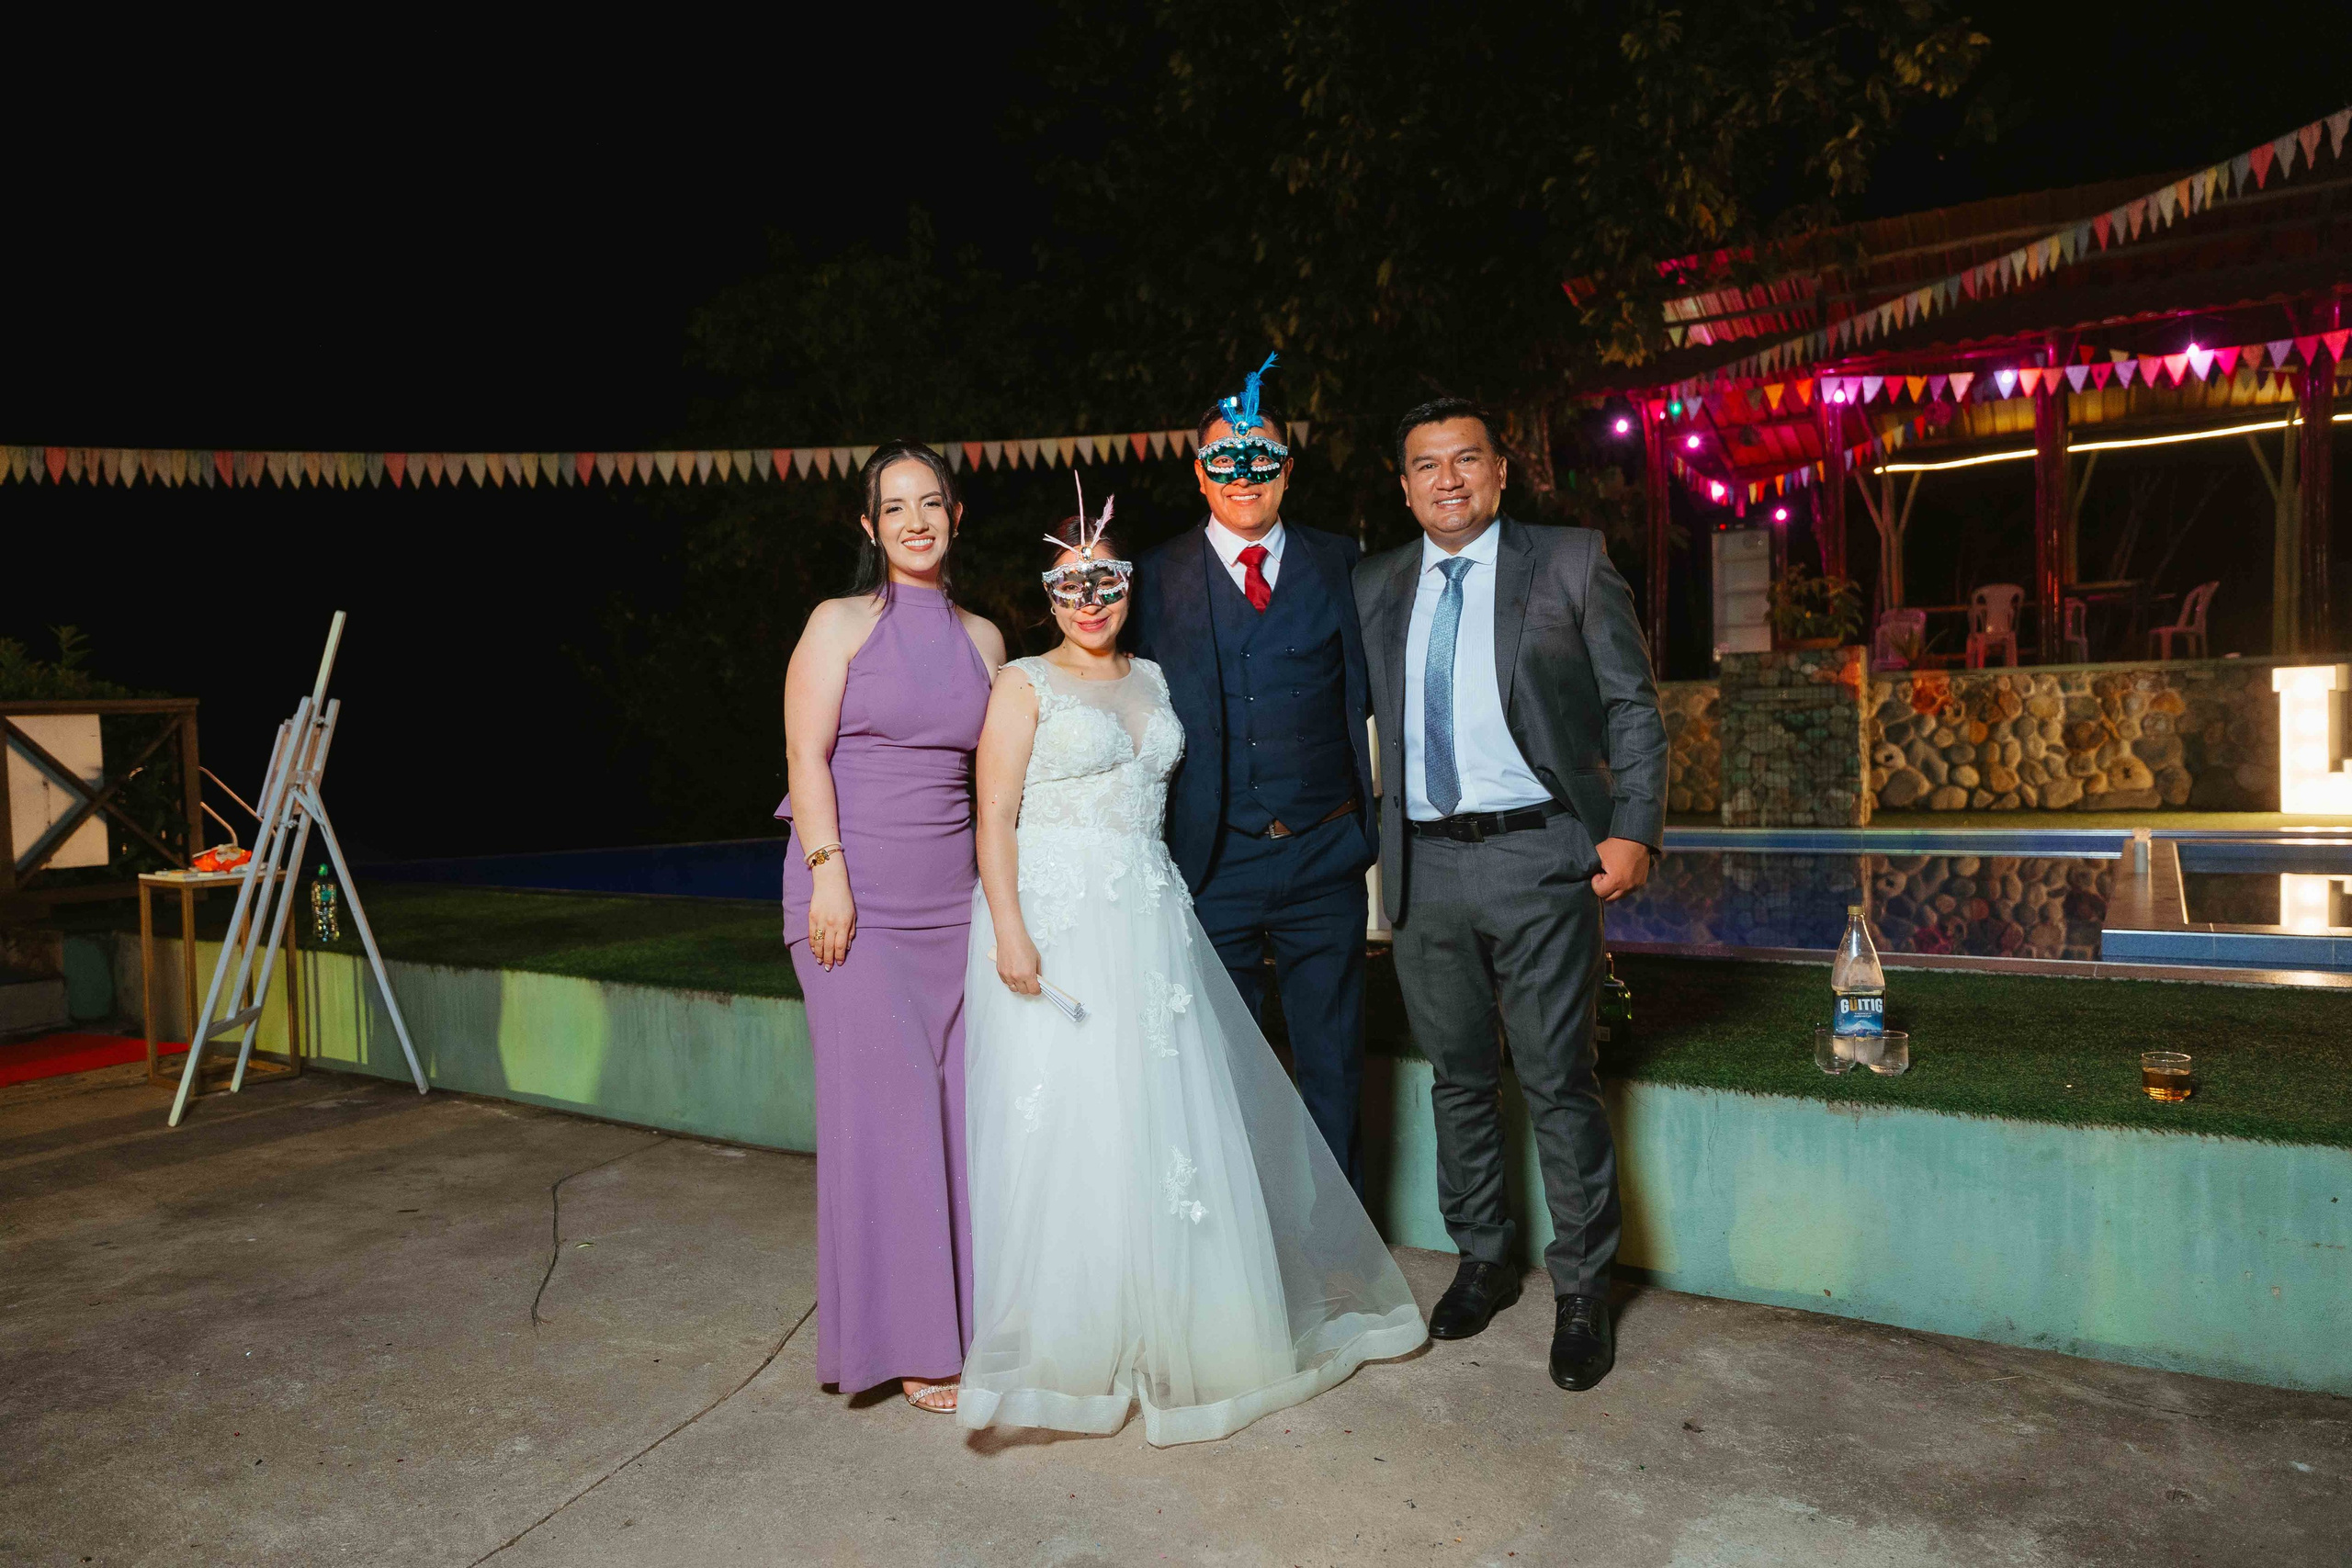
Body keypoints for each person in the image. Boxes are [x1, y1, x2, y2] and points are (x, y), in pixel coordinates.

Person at [956, 485, 1424, 1446]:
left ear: (1130, 585)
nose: (1090, 598)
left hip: (1151, 918)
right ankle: (1079, 1330)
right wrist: (1009, 928)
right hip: (1057, 917)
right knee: (1077, 1114)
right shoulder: (1023, 684)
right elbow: (993, 815)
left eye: (1106, 579)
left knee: (1162, 1110)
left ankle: (1188, 1313)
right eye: (1069, 583)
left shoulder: (1158, 680)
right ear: (1046, 594)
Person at [1352, 399, 1667, 1394]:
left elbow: (1629, 701)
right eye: (1425, 465)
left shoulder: (1569, 561)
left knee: (1554, 1075)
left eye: (1466, 460)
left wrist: (1633, 828)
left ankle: (1582, 1289)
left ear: (1498, 473)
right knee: (1455, 1073)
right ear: (1402, 487)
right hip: (1423, 864)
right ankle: (1482, 1258)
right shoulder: (1373, 584)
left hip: (1538, 855)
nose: (1447, 479)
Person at [777, 440, 1005, 1414]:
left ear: (955, 514)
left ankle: (961, 1319)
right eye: (894, 507)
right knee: (889, 1120)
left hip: (952, 910)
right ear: (869, 528)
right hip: (851, 904)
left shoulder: (987, 639)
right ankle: (909, 1342)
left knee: (957, 1118)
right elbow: (803, 752)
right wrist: (830, 875)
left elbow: (997, 788)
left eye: (932, 503)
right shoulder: (836, 624)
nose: (916, 521)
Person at [1129, 355, 1381, 1190]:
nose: (1244, 475)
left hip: (1323, 853)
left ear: (1286, 471)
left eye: (1261, 459)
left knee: (1335, 1060)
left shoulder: (1345, 562)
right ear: (1200, 474)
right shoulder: (1153, 578)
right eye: (1225, 461)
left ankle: (1341, 1254)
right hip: (1210, 859)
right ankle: (1246, 1255)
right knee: (1222, 1066)